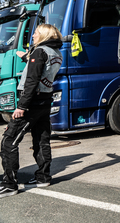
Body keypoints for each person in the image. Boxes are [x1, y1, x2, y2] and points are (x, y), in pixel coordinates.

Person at [0, 24, 63, 198]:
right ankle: (43, 177)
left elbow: (32, 79)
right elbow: (43, 70)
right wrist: (28, 58)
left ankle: (9, 184)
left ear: (43, 35)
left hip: (31, 102)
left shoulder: (39, 51)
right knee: (41, 139)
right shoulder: (56, 53)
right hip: (45, 101)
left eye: (35, 33)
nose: (33, 36)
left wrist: (21, 106)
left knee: (8, 141)